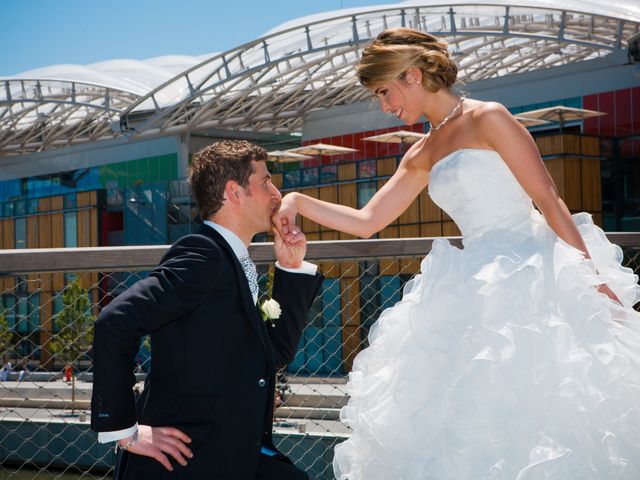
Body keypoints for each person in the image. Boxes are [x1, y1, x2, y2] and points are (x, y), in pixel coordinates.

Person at [274, 28, 640, 479]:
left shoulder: (490, 117)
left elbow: (549, 201)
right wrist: (296, 202)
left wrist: (591, 279)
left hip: (532, 274)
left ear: (412, 75)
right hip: (472, 282)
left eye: (385, 93)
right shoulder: (421, 151)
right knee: (470, 418)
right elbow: (368, 221)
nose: (387, 107)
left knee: (546, 403)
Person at [91, 140, 323, 480]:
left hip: (233, 451)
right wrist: (124, 431)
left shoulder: (230, 259)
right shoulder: (202, 255)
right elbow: (114, 321)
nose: (276, 193)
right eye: (265, 181)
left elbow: (273, 353)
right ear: (234, 192)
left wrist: (290, 268)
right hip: (189, 460)